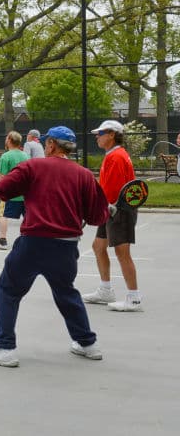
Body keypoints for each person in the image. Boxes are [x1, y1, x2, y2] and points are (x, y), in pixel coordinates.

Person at [0, 126, 109, 367]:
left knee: (8, 289)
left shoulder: (33, 167)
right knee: (66, 292)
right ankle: (88, 344)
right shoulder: (84, 175)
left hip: (34, 243)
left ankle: (5, 348)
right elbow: (96, 218)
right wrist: (105, 209)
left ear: (50, 144)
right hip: (66, 247)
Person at [83, 120, 142, 311]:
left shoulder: (116, 157)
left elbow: (113, 189)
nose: (97, 137)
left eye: (100, 133)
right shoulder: (113, 155)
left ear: (111, 134)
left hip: (119, 210)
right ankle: (105, 290)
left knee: (122, 253)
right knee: (98, 246)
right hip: (110, 209)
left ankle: (133, 298)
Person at [0, 131, 29, 250]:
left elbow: (2, 177)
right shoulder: (26, 156)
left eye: (6, 138)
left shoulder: (6, 156)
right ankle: (28, 241)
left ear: (9, 140)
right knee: (28, 217)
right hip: (25, 192)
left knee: (3, 215)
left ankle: (2, 241)